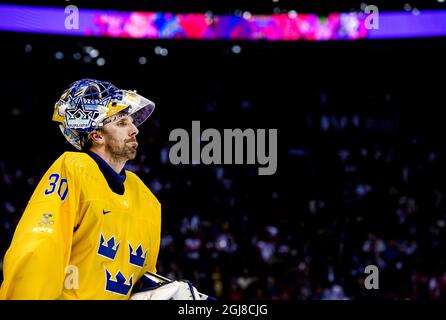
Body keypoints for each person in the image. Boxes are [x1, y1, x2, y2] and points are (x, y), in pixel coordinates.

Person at [0, 79, 161, 299]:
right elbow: (37, 252)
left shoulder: (147, 199)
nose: (135, 130)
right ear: (97, 135)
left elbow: (143, 281)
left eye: (132, 122)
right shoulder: (73, 169)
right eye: (122, 123)